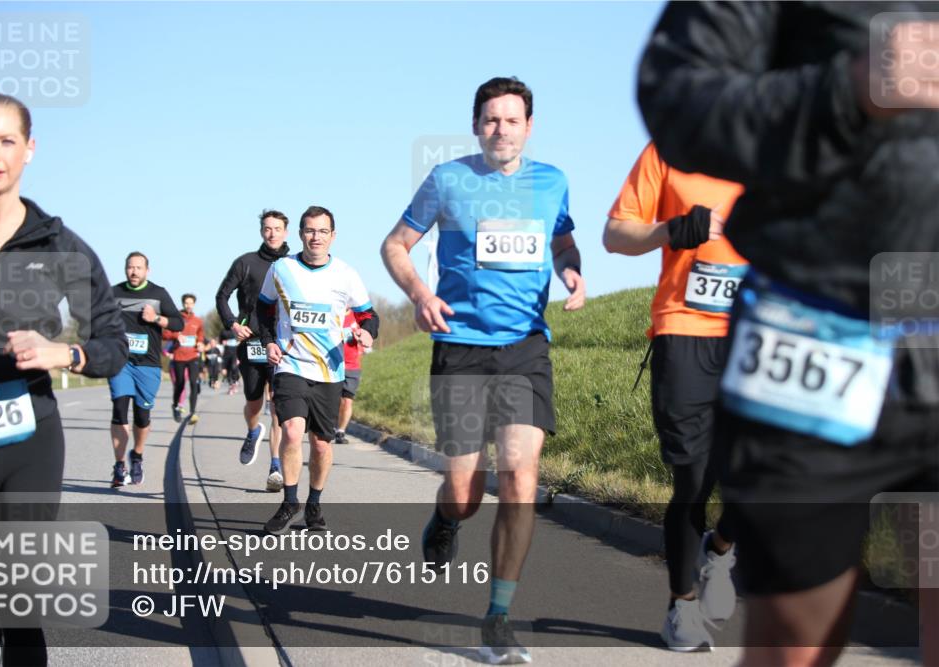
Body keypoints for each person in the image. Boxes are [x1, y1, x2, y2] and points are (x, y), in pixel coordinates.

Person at [638, 4, 939, 665]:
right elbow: (672, 92)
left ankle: (717, 559)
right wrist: (853, 87)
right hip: (816, 323)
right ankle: (689, 591)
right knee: (796, 645)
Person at [380, 76, 585, 664]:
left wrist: (571, 271)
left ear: (529, 126)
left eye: (512, 120)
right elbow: (395, 245)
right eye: (491, 120)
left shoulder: (553, 182)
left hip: (525, 347)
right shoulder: (448, 180)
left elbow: (563, 241)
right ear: (475, 125)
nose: (501, 130)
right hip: (461, 347)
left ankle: (498, 616)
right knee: (467, 492)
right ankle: (447, 518)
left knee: (520, 478)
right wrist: (420, 292)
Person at [0, 93, 127, 667]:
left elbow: (112, 343)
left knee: (20, 593)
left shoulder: (59, 246)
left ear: (30, 149)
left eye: (6, 141)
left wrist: (63, 354)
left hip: (31, 429)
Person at [605, 141, 743, 650]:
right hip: (684, 330)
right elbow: (615, 235)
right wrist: (669, 230)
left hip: (759, 333)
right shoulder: (667, 150)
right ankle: (681, 604)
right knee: (693, 477)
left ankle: (721, 549)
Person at [259, 206, 379, 532]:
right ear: (300, 234)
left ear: (333, 236)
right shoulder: (282, 269)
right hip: (290, 364)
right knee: (293, 432)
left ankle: (314, 503)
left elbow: (369, 315)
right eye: (310, 230)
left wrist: (368, 331)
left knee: (322, 445)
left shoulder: (346, 274)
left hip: (329, 371)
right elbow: (263, 307)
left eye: (323, 231)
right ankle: (289, 502)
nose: (316, 237)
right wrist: (268, 340)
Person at [215, 209, 291, 491]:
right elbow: (221, 296)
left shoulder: (293, 264)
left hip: (283, 344)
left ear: (286, 231)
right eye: (267, 228)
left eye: (277, 228)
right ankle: (252, 430)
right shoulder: (245, 263)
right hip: (252, 342)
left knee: (279, 407)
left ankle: (275, 467)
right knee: (254, 401)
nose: (272, 233)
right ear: (262, 231)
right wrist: (233, 324)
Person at [108, 252, 183, 487]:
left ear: (147, 271)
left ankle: (137, 455)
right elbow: (98, 320)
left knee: (142, 416)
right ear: (125, 269)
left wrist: (157, 318)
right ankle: (119, 466)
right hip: (121, 363)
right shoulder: (114, 293)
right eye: (130, 267)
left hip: (149, 365)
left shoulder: (158, 294)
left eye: (139, 268)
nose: (134, 272)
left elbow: (178, 323)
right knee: (119, 410)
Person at [162, 293, 205, 424]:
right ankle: (175, 405)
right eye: (186, 303)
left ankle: (192, 412)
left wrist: (200, 343)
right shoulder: (176, 319)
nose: (189, 305)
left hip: (193, 356)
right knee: (180, 384)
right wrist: (176, 336)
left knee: (193, 382)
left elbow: (200, 335)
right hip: (179, 356)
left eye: (191, 303)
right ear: (183, 304)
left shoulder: (198, 321)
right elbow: (165, 334)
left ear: (194, 304)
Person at [334, 308, 365, 444]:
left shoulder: (357, 316)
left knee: (347, 400)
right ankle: (329, 426)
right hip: (333, 364)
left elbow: (367, 337)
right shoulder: (332, 313)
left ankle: (340, 431)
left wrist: (361, 338)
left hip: (352, 365)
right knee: (334, 400)